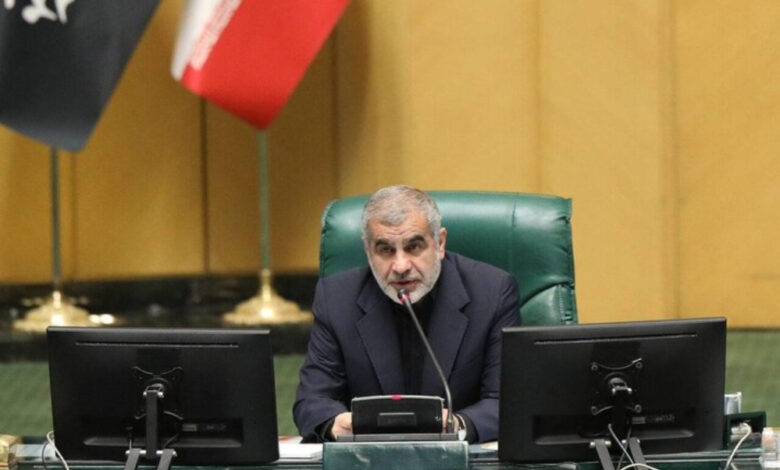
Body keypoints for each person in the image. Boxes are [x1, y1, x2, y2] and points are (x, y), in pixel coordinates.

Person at [293, 185, 520, 443]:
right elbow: (312, 402)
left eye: (414, 247)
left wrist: (458, 425)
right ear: (367, 250)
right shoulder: (336, 298)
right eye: (385, 250)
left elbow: (507, 403)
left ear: (439, 243)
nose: (400, 266)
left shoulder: (492, 292)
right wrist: (335, 423)